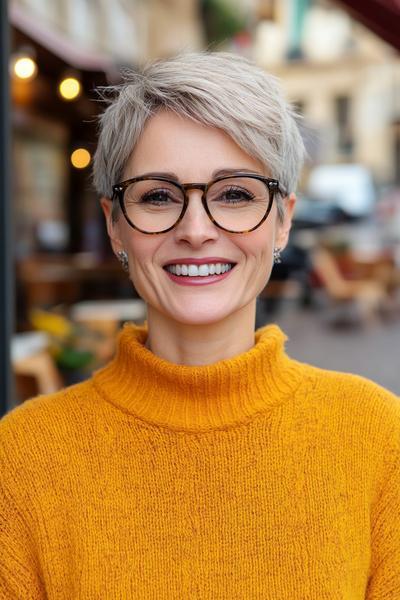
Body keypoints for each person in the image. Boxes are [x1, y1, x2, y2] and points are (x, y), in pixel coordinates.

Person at [1, 52, 399, 599]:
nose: (196, 229)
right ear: (115, 226)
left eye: (235, 194)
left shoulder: (379, 439)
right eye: (158, 196)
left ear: (283, 220)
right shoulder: (22, 458)